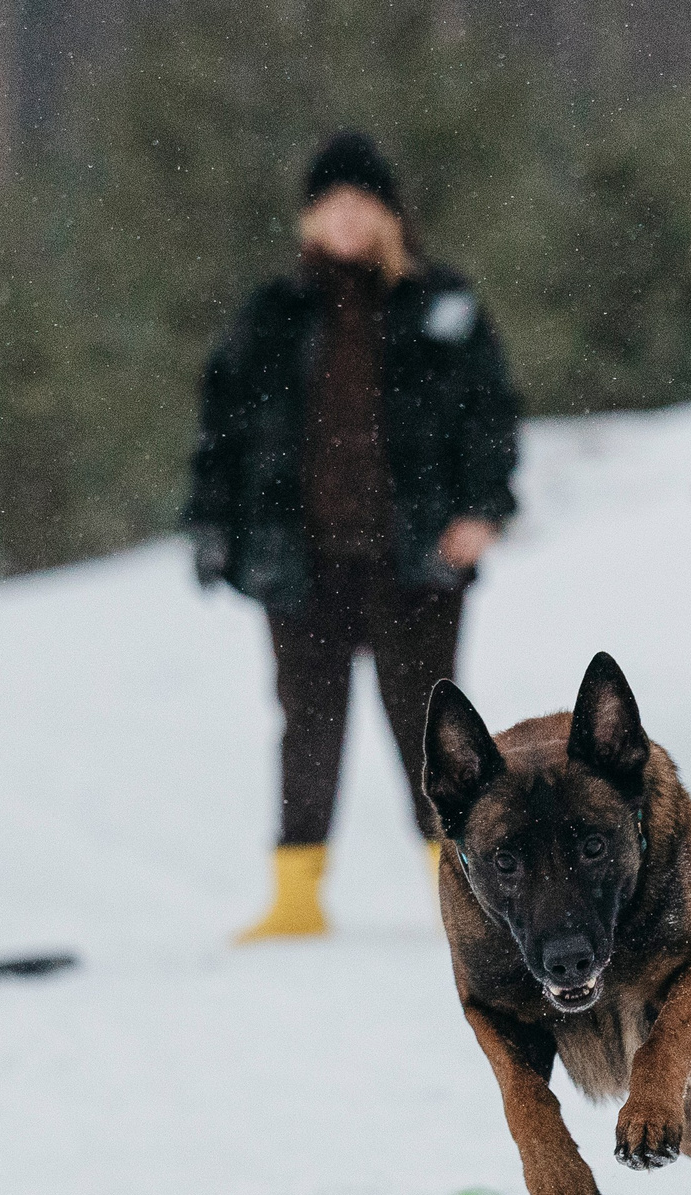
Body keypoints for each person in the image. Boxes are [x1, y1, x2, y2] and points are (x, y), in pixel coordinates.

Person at [183, 133, 521, 943]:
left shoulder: (442, 305)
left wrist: (483, 507)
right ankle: (296, 896)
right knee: (307, 722)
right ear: (308, 218)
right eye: (328, 204)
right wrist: (211, 525)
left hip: (417, 555)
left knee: (432, 730)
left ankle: (463, 892)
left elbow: (490, 411)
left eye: (359, 202)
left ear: (387, 213)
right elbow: (222, 429)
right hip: (300, 561)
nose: (344, 217)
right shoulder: (271, 315)